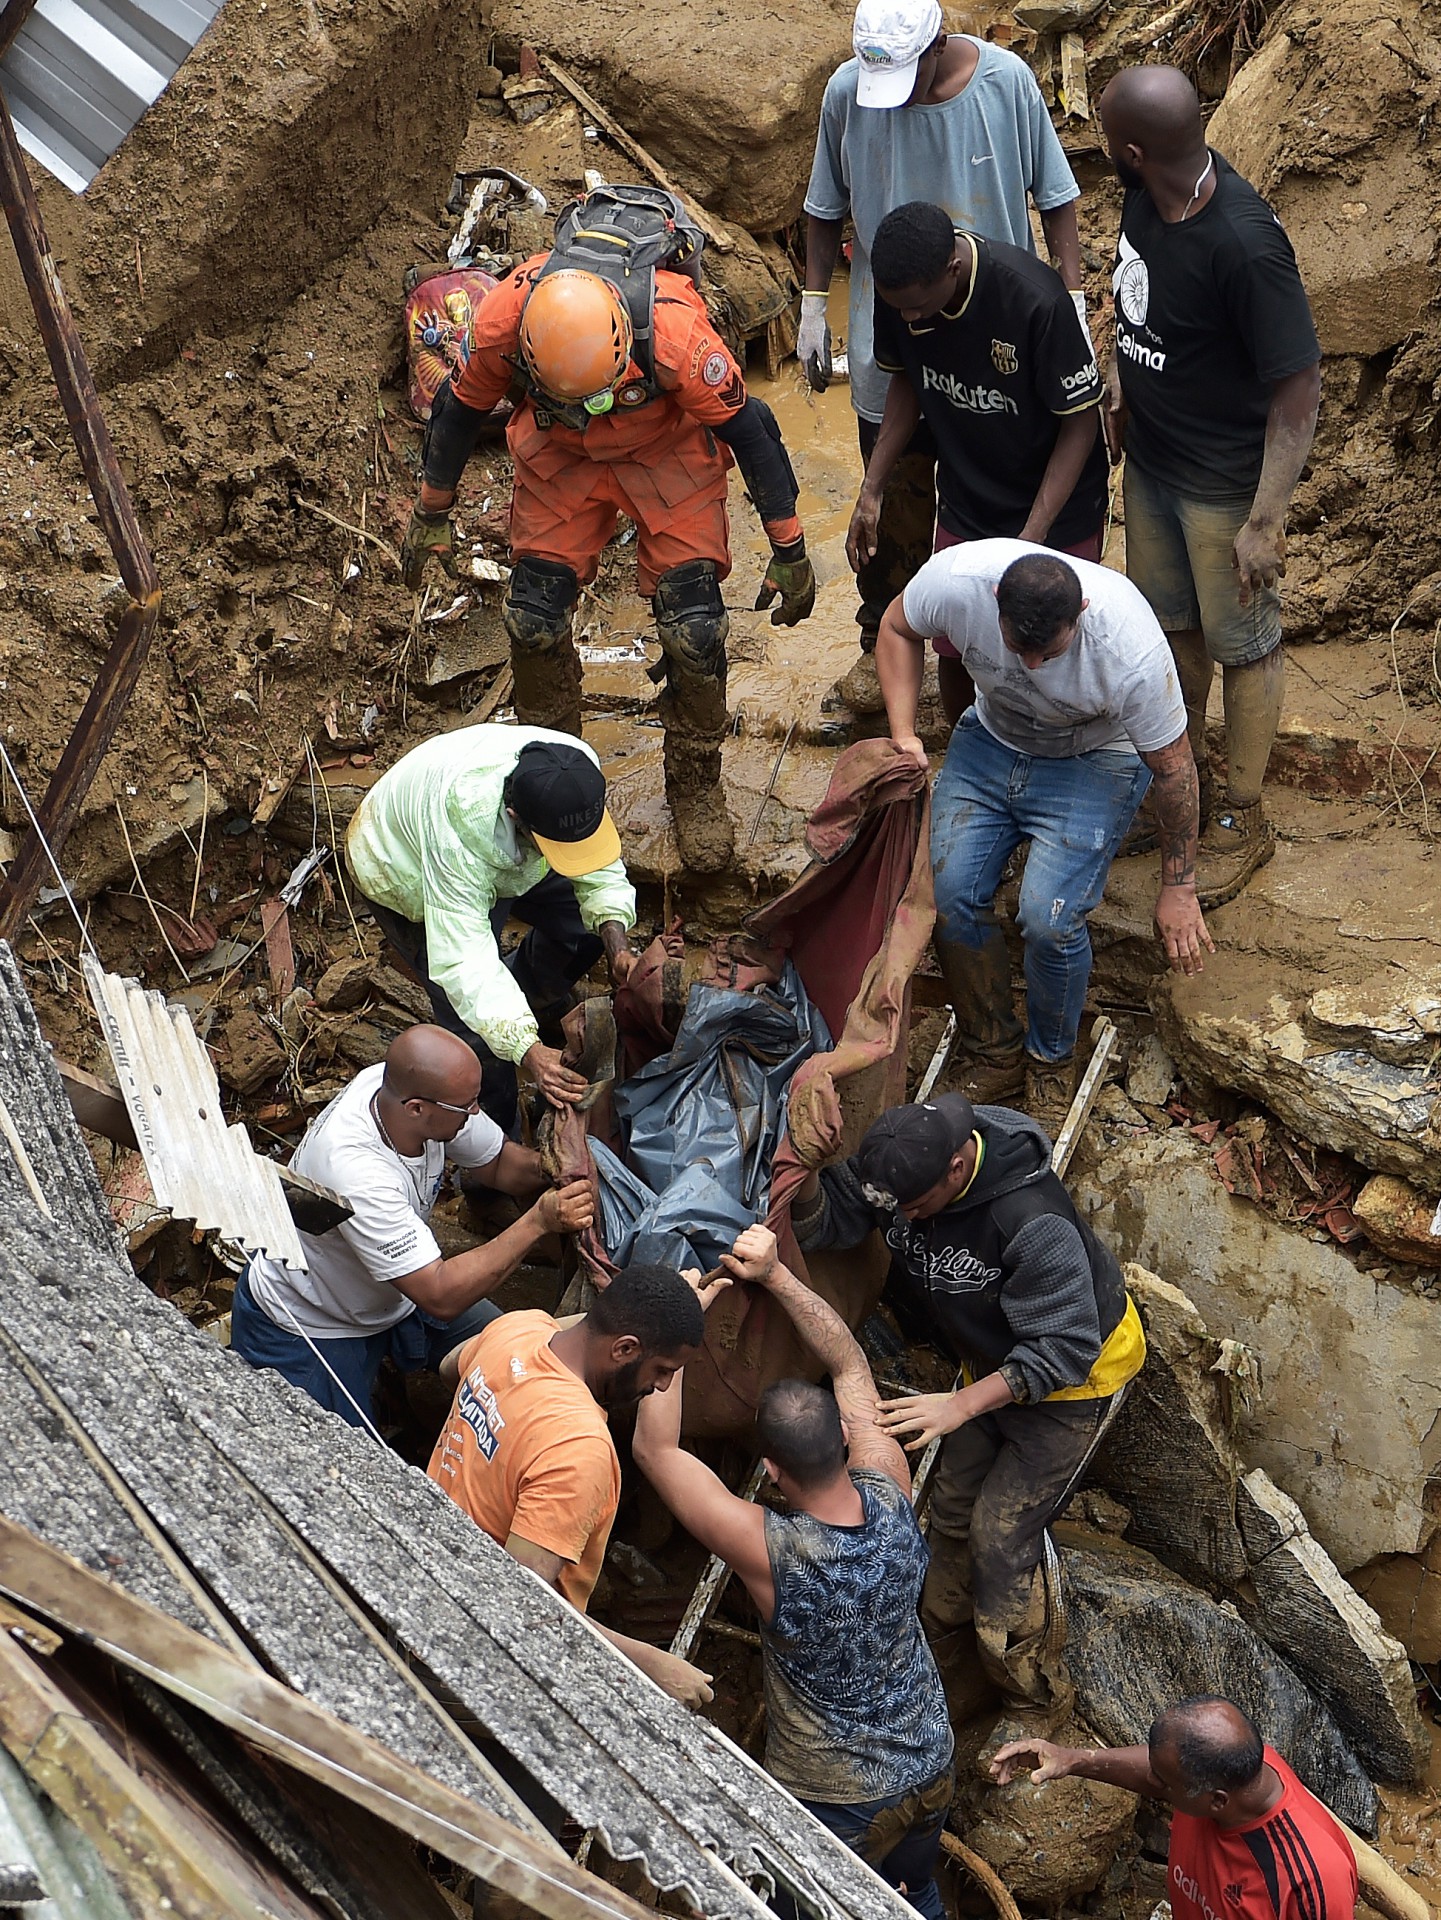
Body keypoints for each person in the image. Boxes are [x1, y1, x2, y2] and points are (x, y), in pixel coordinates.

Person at [398, 199, 815, 872]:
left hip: (666, 451)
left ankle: (695, 780)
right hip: (559, 455)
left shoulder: (677, 335)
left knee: (696, 626)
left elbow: (752, 432)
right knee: (532, 618)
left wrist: (789, 549)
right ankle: (555, 778)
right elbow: (455, 410)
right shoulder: (505, 316)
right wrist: (430, 512)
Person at [632, 1226, 954, 1919]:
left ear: (770, 1473)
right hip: (929, 1765)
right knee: (917, 1893)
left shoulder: (769, 1549)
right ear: (843, 1436)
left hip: (840, 1799)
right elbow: (849, 1367)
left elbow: (655, 1448)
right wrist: (776, 1274)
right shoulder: (891, 1488)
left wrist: (683, 1315)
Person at [791, 1090, 1146, 1711]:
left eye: (917, 1207)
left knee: (1000, 1536)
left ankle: (1027, 1688)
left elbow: (1065, 1348)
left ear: (956, 1169)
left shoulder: (1030, 1221)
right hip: (988, 1359)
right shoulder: (902, 1164)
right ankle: (941, 1639)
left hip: (1071, 1382)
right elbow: (838, 1214)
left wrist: (957, 1406)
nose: (905, 1220)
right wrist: (802, 1175)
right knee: (951, 1508)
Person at [802, 0, 1083, 711]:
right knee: (893, 506)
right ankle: (883, 645)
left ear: (936, 49)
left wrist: (1072, 299)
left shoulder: (1005, 83)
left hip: (999, 350)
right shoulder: (847, 92)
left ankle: (1000, 657)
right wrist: (812, 304)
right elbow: (824, 206)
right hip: (894, 335)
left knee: (990, 507)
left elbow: (1055, 196)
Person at [877, 539, 1211, 1122]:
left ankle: (1052, 1061)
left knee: (1048, 918)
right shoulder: (958, 581)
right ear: (994, 603)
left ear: (1079, 614)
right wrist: (904, 731)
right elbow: (895, 626)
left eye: (1048, 651)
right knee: (949, 896)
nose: (1031, 665)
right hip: (992, 741)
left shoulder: (1127, 646)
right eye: (1017, 645)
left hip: (1095, 758)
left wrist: (1178, 888)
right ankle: (993, 1050)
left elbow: (1176, 770)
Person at [1098, 66, 1321, 905]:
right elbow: (1134, 300)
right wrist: (1121, 375)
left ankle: (1241, 809)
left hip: (1224, 485)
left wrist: (1266, 519)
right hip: (1152, 464)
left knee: (1244, 641)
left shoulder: (1243, 241)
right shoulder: (1143, 193)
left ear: (1129, 150)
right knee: (1169, 626)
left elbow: (1299, 384)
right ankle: (1178, 779)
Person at [232, 1025, 594, 1430]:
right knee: (343, 1464)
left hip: (391, 1294)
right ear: (417, 1109)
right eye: (467, 1107)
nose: (475, 1113)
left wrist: (554, 1165)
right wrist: (539, 1221)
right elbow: (439, 1294)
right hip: (312, 1323)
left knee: (509, 1345)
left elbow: (497, 1164)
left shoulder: (409, 1093)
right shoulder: (356, 1172)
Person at [850, 201, 1108, 727]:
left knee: (1051, 649)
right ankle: (971, 745)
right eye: (898, 309)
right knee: (956, 643)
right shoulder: (901, 293)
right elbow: (907, 382)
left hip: (1058, 509)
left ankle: (1057, 752)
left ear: (952, 270)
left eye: (919, 308)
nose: (909, 319)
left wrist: (1029, 540)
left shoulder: (1034, 300)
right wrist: (872, 488)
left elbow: (1081, 425)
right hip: (968, 498)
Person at [429, 1261, 716, 1706]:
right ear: (623, 1349)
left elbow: (452, 1367)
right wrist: (651, 1667)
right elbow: (518, 1601)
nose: (662, 1386)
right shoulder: (577, 1446)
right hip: (473, 1667)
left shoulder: (517, 1330)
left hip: (424, 1578)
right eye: (662, 1369)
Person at [345, 725, 635, 1129]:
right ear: (516, 818)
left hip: (516, 860)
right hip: (404, 869)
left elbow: (597, 863)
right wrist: (528, 1051)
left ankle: (532, 997)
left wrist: (617, 943)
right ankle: (495, 1148)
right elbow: (466, 966)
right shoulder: (458, 838)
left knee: (581, 931)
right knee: (475, 1034)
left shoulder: (571, 768)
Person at [992, 1697, 1359, 1920]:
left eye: (1164, 1782)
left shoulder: (1311, 1879)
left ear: (1216, 1800)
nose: (1154, 1784)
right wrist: (1072, 1760)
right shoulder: (1226, 1775)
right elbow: (1153, 1773)